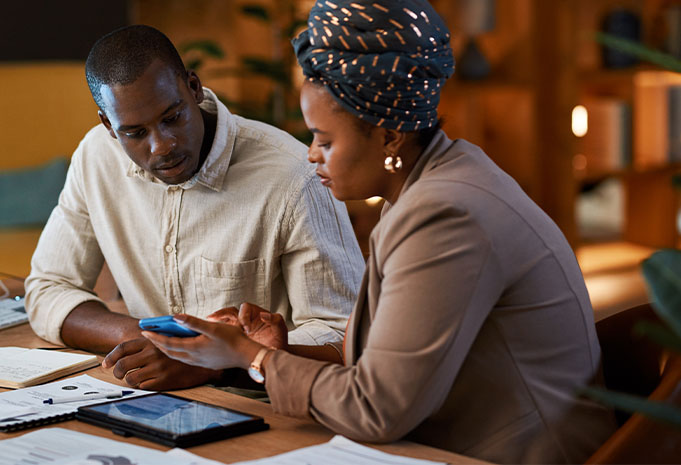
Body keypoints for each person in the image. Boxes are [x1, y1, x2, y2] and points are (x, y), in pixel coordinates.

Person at [138, 1, 618, 463]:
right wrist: (280, 352)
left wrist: (250, 359)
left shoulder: (445, 217)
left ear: (390, 134)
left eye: (324, 140)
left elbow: (377, 410)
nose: (310, 154)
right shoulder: (439, 177)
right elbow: (388, 365)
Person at [24, 25, 365, 391]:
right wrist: (152, 339)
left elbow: (345, 336)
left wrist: (213, 363)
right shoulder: (95, 157)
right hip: (156, 393)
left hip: (268, 401)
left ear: (194, 87)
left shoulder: (295, 176)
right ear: (108, 125)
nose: (162, 146)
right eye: (136, 133)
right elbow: (48, 289)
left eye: (172, 118)